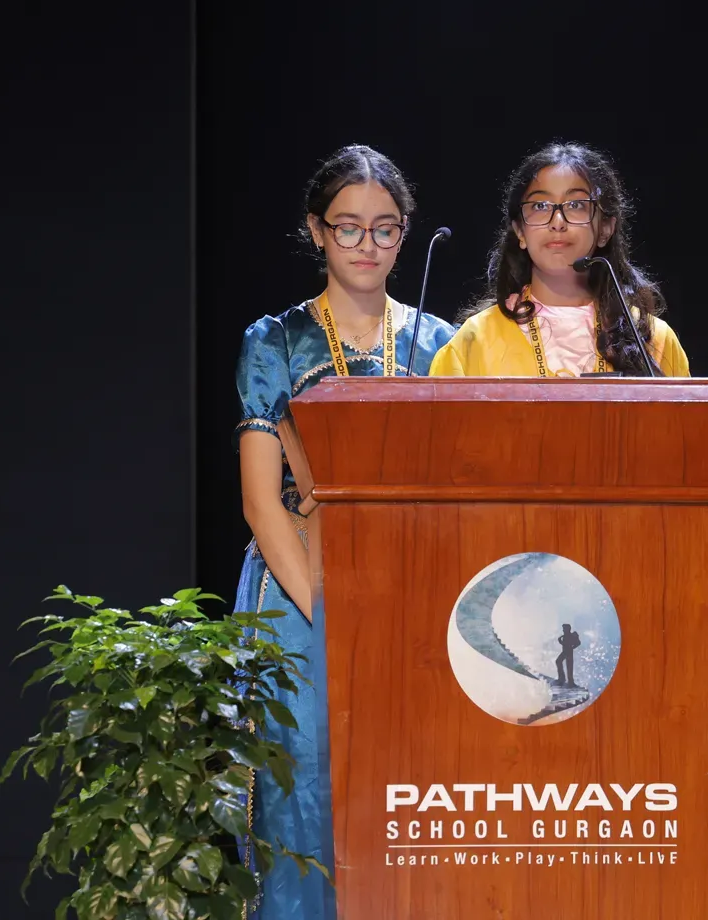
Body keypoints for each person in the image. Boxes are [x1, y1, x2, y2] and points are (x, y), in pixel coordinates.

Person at [233, 144, 456, 918]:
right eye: (348, 227)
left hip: (413, 595)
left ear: (405, 233)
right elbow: (261, 501)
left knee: (411, 790)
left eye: (385, 228)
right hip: (299, 592)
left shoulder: (444, 346)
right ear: (316, 230)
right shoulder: (276, 340)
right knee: (302, 791)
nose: (367, 245)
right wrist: (327, 610)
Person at [428, 141, 690, 378]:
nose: (557, 222)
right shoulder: (474, 340)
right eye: (540, 206)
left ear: (605, 229)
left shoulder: (653, 339)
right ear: (520, 231)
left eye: (576, 205)